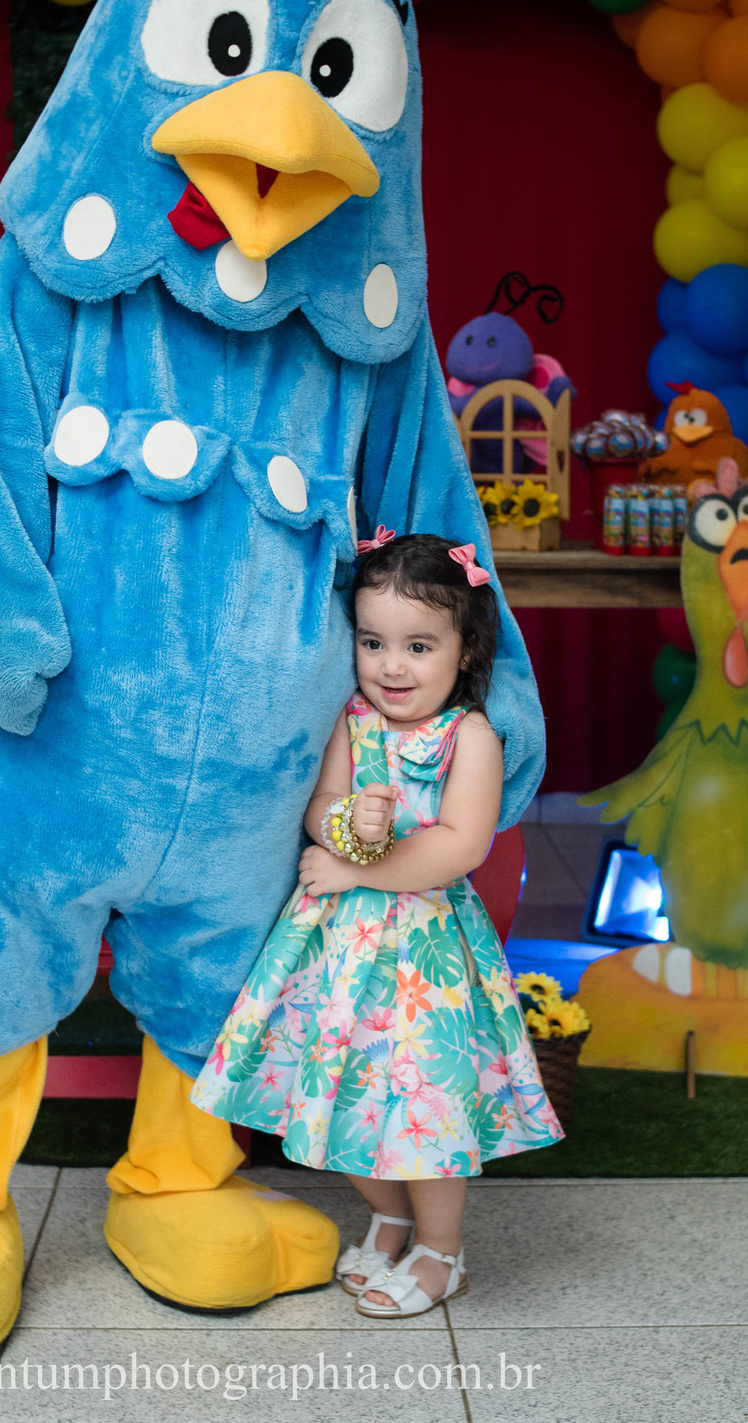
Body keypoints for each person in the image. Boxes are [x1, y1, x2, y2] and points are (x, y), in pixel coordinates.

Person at [191, 530, 563, 1318]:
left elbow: (458, 848)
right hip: (336, 954)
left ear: (464, 650)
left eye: (419, 645)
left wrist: (358, 867)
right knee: (326, 1088)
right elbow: (322, 804)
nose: (392, 665)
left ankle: (442, 1251)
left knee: (423, 1105)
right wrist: (347, 828)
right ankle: (390, 1213)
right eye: (373, 642)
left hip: (426, 960)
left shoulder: (472, 737)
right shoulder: (353, 722)